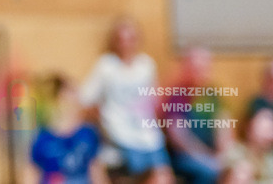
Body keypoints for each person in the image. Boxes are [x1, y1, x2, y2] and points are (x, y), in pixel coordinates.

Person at [80, 17, 174, 184]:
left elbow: (154, 98)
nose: (125, 44)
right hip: (122, 136)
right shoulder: (106, 66)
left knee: (164, 176)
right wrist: (100, 118)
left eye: (130, 39)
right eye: (121, 39)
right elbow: (85, 98)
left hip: (149, 135)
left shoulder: (146, 65)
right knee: (142, 177)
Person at [163, 46, 233, 184]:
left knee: (235, 169)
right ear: (187, 68)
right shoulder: (177, 97)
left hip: (212, 156)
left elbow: (224, 125)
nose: (200, 72)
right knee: (208, 172)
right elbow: (179, 138)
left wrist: (221, 154)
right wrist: (206, 158)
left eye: (204, 67)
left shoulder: (213, 96)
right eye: (195, 68)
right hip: (184, 157)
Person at [27, 74, 109, 184]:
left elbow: (96, 171)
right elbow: (31, 173)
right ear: (59, 97)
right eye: (72, 90)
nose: (78, 93)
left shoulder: (88, 133)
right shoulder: (41, 138)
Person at [223, 106, 273, 182]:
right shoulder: (236, 153)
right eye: (264, 129)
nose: (268, 135)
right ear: (250, 128)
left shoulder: (270, 160)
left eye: (270, 130)